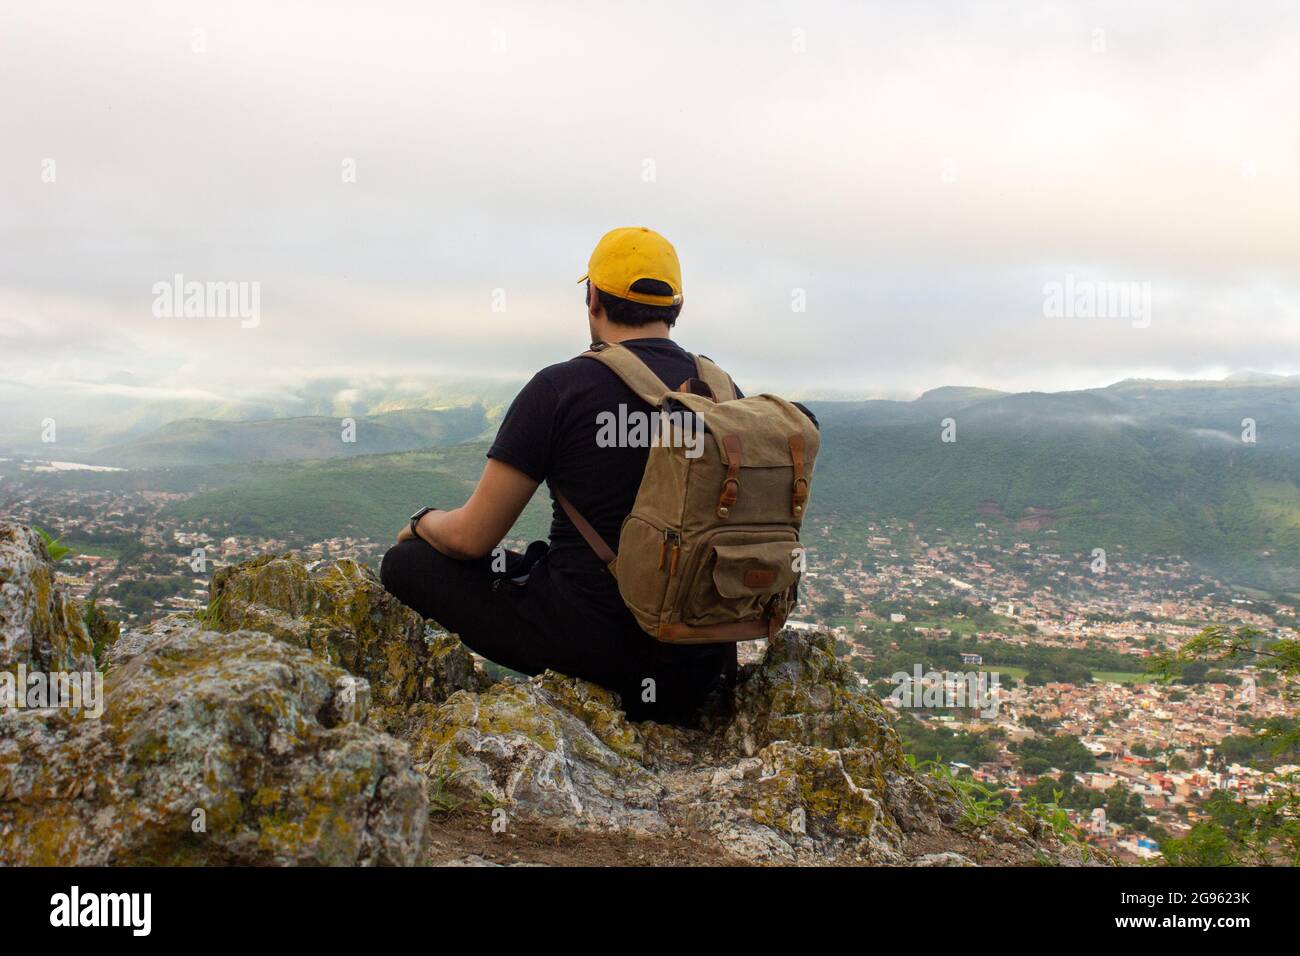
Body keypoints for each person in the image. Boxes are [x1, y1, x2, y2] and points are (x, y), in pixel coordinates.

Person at [380, 227, 737, 723]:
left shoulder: (560, 387)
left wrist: (421, 522)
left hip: (595, 649)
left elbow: (469, 539)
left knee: (407, 562)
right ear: (675, 308)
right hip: (700, 664)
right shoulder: (721, 391)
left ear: (592, 298)